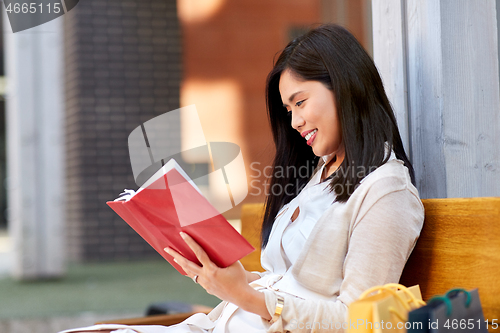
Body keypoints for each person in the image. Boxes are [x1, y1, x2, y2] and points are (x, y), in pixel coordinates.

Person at [61, 24, 424, 333]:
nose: (294, 122)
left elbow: (355, 322)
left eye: (300, 102)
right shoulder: (321, 174)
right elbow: (285, 284)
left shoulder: (385, 191)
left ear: (345, 87)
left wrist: (246, 295)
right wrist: (221, 276)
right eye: (288, 110)